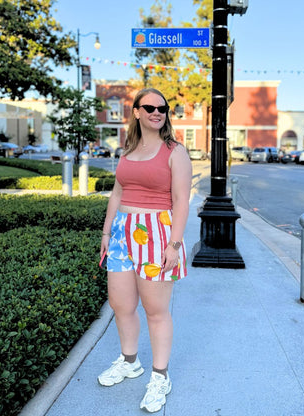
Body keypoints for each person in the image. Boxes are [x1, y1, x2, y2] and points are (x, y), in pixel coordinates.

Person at [98, 88, 192, 413]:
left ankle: (160, 375)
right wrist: (107, 231)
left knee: (155, 310)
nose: (157, 112)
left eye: (163, 108)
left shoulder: (174, 151)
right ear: (136, 111)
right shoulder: (127, 150)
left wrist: (175, 244)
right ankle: (129, 361)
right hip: (123, 233)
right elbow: (117, 193)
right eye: (149, 107)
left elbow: (182, 201)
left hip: (156, 233)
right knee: (120, 304)